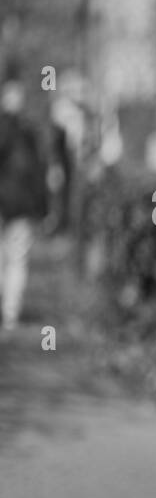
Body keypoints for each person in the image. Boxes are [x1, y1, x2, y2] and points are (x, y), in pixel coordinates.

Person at [0, 76, 51, 333]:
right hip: (21, 208)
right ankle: (10, 313)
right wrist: (43, 210)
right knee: (17, 261)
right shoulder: (30, 135)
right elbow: (39, 175)